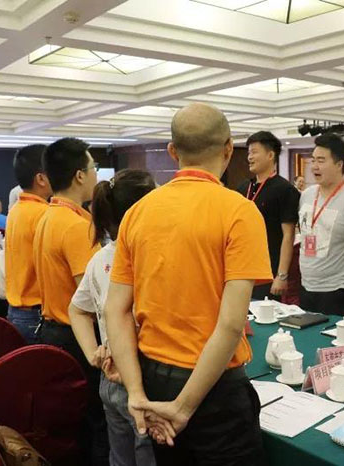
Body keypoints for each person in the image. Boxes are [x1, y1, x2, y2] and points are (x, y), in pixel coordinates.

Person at [104, 103, 271, 464]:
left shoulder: (137, 212)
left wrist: (136, 392)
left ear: (172, 151)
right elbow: (231, 324)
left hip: (151, 377)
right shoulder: (240, 211)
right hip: (213, 390)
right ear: (229, 149)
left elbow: (114, 310)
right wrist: (183, 407)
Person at [69, 169, 157, 466]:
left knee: (120, 460)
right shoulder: (146, 257)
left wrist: (93, 351)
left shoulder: (101, 257)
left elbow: (77, 310)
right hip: (141, 381)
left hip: (111, 380)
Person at [33, 137, 107, 466]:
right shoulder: (77, 227)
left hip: (52, 330)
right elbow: (93, 298)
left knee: (77, 423)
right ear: (79, 175)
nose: (95, 175)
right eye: (94, 168)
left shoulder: (47, 216)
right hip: (77, 337)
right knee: (99, 424)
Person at [298, 133, 344, 316]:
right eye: (313, 160)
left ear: (339, 165)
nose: (314, 166)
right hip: (307, 284)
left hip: (338, 289)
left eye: (321, 160)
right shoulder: (307, 195)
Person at [237, 131, 299, 300]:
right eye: (249, 153)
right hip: (242, 268)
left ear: (270, 155)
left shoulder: (285, 190)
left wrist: (281, 275)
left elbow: (288, 235)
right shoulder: (243, 188)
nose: (250, 157)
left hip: (268, 271)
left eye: (254, 152)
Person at [5, 144, 52, 343]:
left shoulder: (17, 209)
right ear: (41, 178)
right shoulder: (43, 213)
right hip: (36, 314)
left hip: (18, 311)